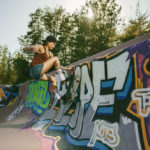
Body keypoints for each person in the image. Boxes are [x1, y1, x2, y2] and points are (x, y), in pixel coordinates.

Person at [23, 35, 72, 100]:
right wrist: (32, 48)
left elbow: (57, 65)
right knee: (56, 58)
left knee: (53, 79)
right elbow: (24, 48)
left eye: (55, 45)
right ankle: (63, 79)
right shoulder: (41, 47)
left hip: (36, 75)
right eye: (53, 44)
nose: (54, 46)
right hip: (35, 69)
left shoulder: (50, 54)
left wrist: (67, 69)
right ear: (48, 42)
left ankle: (58, 97)